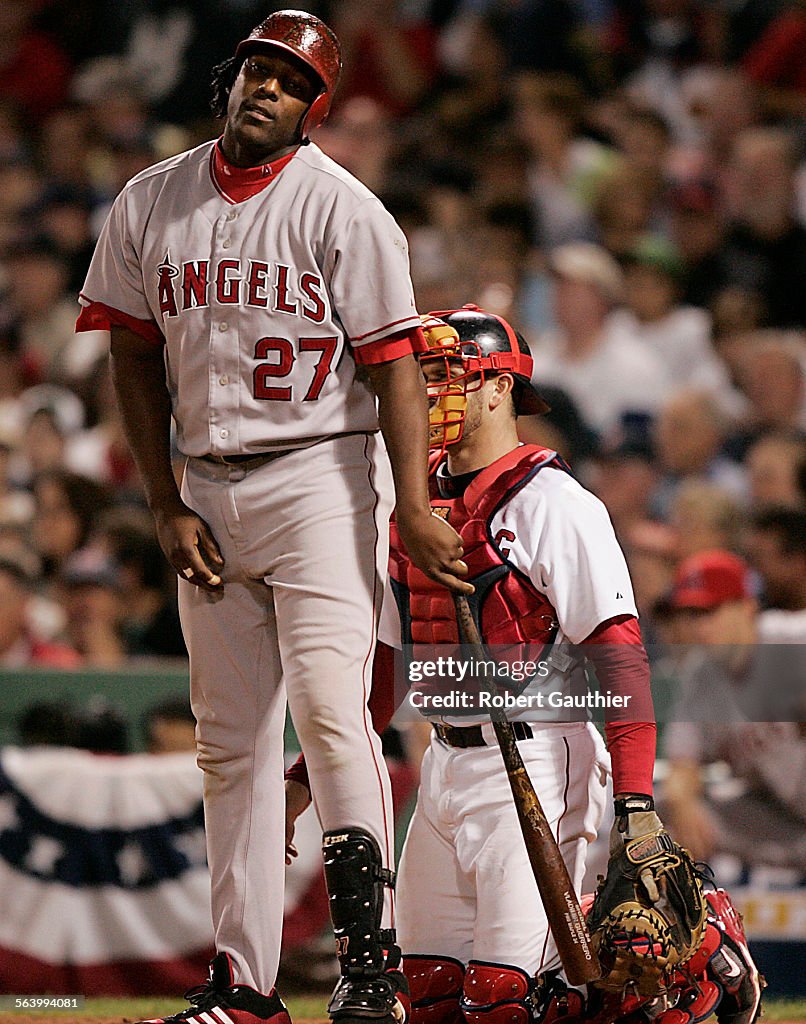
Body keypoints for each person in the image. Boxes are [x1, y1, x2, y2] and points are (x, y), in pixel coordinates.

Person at [75, 10, 468, 1024]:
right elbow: (127, 350)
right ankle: (242, 983)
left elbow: (392, 366)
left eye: (289, 82)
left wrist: (413, 504)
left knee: (336, 718)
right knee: (229, 745)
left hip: (317, 475)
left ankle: (368, 966)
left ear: (313, 110)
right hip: (202, 481)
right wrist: (162, 502)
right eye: (256, 68)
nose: (265, 88)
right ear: (230, 78)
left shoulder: (345, 211)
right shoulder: (149, 198)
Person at [287, 307, 762, 1024]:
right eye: (420, 376)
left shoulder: (554, 501)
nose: (425, 391)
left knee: (506, 1001)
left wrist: (634, 805)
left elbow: (621, 659)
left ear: (499, 386)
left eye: (445, 374)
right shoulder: (408, 503)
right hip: (446, 762)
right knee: (428, 993)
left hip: (541, 758)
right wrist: (309, 775)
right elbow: (387, 664)